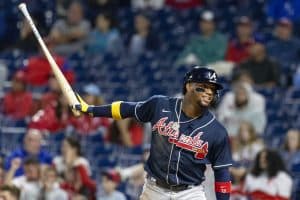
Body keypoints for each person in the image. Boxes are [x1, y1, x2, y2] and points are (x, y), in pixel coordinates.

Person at [73, 66, 233, 200]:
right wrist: (92, 110)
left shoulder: (217, 131)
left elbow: (222, 174)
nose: (209, 92)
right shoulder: (160, 105)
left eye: (212, 88)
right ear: (188, 86)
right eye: (203, 86)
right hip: (154, 189)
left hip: (190, 193)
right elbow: (126, 109)